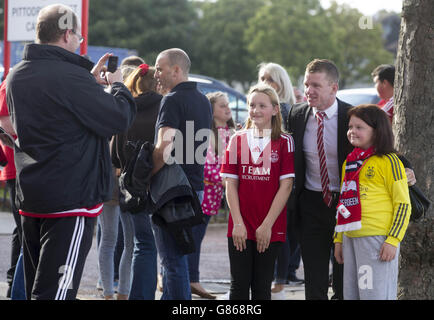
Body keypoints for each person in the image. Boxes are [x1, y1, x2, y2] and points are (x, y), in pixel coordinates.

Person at [5, 4, 136, 300]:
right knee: (57, 292)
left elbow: (57, 113)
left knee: (37, 287)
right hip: (70, 195)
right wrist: (118, 87)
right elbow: (118, 118)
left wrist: (87, 83)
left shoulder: (17, 75)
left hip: (32, 192)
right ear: (66, 34)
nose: (80, 41)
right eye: (78, 35)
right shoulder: (70, 78)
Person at [220, 83, 295, 300]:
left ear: (274, 109)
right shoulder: (237, 139)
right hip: (240, 225)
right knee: (239, 286)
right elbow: (231, 185)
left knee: (262, 288)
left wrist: (267, 225)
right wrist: (238, 223)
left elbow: (286, 186)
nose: (256, 110)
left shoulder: (284, 141)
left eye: (262, 105)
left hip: (269, 226)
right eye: (252, 105)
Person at [287, 59, 353, 300]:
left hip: (346, 205)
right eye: (306, 84)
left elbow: (380, 146)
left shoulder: (352, 115)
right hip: (311, 204)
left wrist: (406, 168)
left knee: (344, 277)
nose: (308, 91)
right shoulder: (297, 114)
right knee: (314, 279)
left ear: (333, 88)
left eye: (315, 85)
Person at [151, 48, 212, 300]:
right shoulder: (203, 100)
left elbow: (164, 147)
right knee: (179, 259)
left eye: (159, 68)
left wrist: (144, 177)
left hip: (171, 189)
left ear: (176, 70)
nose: (156, 74)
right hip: (194, 186)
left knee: (171, 262)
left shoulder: (172, 99)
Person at [334, 104, 411, 300]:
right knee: (353, 295)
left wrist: (393, 240)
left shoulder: (390, 161)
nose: (352, 131)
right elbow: (343, 203)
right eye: (350, 127)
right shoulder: (349, 161)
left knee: (374, 296)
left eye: (359, 127)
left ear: (377, 131)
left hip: (376, 240)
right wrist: (339, 239)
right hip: (350, 238)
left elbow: (403, 204)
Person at [112, 63, 162, 299]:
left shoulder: (127, 109)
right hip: (160, 184)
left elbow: (115, 155)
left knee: (140, 245)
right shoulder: (164, 108)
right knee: (161, 248)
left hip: (132, 187)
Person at [257, 62, 302, 299]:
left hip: (280, 182)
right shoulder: (275, 110)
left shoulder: (284, 111)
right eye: (262, 78)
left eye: (270, 79)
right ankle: (277, 280)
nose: (264, 83)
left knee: (278, 230)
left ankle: (279, 281)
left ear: (280, 83)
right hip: (270, 179)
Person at [187, 91, 235, 299]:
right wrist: (229, 179)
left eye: (227, 105)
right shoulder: (205, 133)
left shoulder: (230, 132)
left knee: (197, 237)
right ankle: (191, 280)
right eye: (222, 105)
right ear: (211, 110)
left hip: (214, 196)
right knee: (194, 238)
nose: (227, 108)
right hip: (203, 194)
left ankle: (189, 278)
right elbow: (207, 166)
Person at [371, 64, 417, 186]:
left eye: (376, 82)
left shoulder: (392, 105)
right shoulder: (384, 103)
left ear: (384, 83)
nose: (375, 87)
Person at [0, 80, 24, 299]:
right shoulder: (14, 81)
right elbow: (5, 124)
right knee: (26, 231)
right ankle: (16, 287)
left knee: (23, 231)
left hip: (25, 167)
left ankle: (14, 285)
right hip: (20, 168)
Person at [258, 62, 296, 130]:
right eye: (262, 79)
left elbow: (267, 137)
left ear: (282, 83)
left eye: (271, 80)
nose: (264, 83)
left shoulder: (279, 108)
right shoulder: (285, 107)